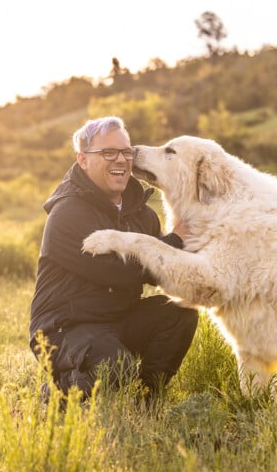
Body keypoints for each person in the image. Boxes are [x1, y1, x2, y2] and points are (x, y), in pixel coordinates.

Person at [29, 116, 198, 398]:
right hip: (64, 329)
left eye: (126, 152)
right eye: (108, 152)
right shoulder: (67, 213)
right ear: (83, 160)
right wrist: (173, 241)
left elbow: (161, 273)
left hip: (119, 319)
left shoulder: (143, 215)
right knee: (115, 367)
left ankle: (146, 400)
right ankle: (56, 392)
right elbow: (115, 271)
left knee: (180, 311)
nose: (120, 160)